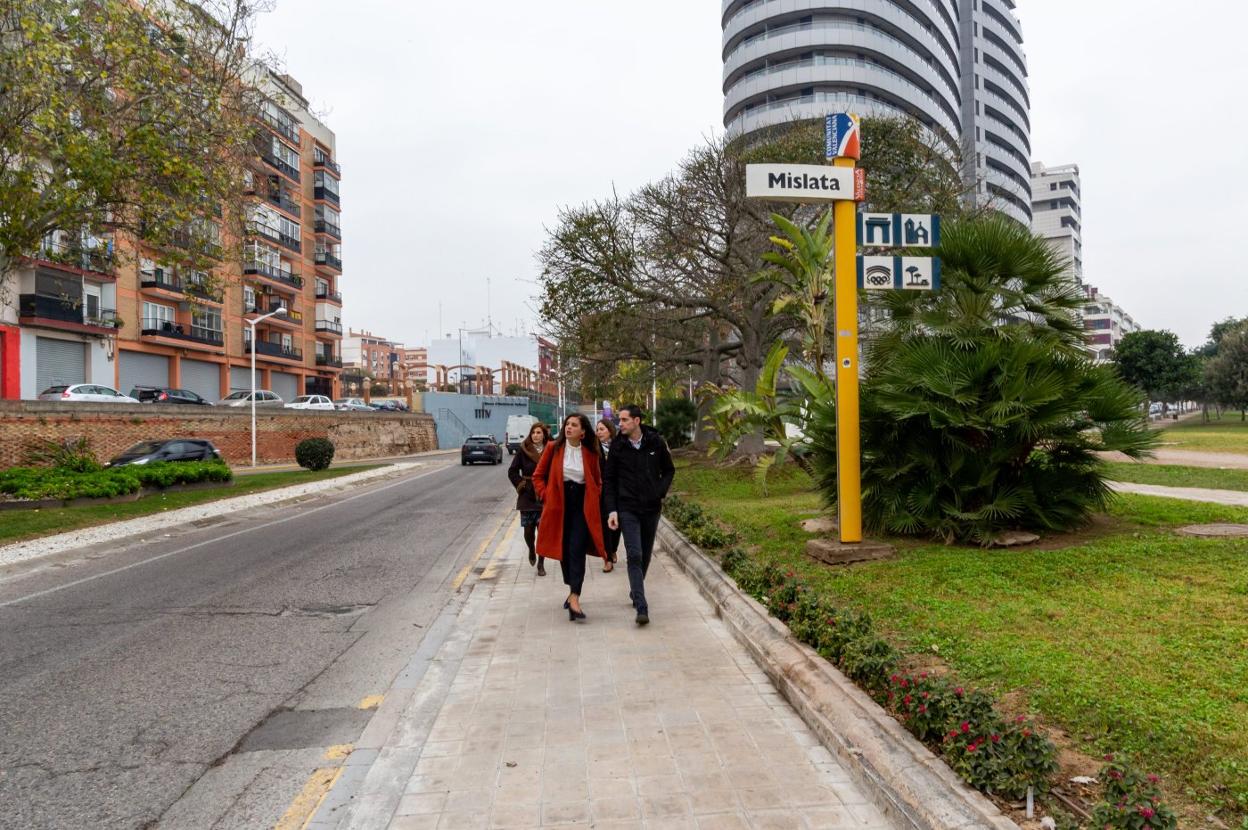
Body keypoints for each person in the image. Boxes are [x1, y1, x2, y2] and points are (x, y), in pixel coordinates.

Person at [605, 404, 675, 626]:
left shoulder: (655, 442)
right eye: (619, 420)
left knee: (644, 555)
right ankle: (642, 605)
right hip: (627, 508)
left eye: (624, 420)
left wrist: (659, 491)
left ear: (637, 421)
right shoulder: (618, 446)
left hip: (651, 508)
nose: (620, 424)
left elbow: (669, 470)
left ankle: (636, 590)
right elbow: (609, 481)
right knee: (633, 554)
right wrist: (612, 510)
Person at [533, 413, 606, 621]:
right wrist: (547, 496)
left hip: (581, 506)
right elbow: (538, 476)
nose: (569, 427)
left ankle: (575, 597)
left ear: (583, 432)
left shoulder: (591, 453)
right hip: (559, 505)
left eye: (574, 425)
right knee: (564, 550)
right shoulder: (553, 448)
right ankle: (571, 587)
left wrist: (595, 496)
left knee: (577, 549)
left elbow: (597, 480)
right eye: (567, 424)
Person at [507, 421, 551, 576]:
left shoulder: (550, 449)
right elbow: (512, 471)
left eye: (539, 433)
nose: (535, 435)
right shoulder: (523, 450)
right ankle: (531, 549)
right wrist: (522, 485)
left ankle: (541, 563)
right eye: (533, 432)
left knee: (543, 532)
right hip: (527, 496)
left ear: (544, 435)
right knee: (528, 532)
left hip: (544, 495)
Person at [595, 419, 621, 573]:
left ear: (610, 430)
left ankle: (613, 549)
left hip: (619, 491)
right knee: (605, 525)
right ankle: (607, 559)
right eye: (597, 429)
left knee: (617, 526)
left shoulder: (619, 447)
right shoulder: (594, 449)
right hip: (602, 492)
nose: (599, 432)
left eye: (602, 429)